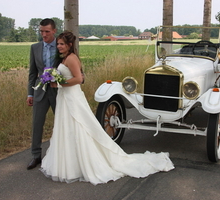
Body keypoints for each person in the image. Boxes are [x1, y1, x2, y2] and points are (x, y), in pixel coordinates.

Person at [40, 31, 174, 185]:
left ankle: (85, 163)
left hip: (72, 98)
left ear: (70, 45)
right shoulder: (64, 59)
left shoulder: (71, 59)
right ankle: (69, 164)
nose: (59, 46)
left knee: (80, 127)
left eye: (62, 44)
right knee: (67, 128)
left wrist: (59, 83)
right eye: (58, 44)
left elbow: (78, 79)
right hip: (65, 98)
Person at [27, 18, 60, 170]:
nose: (44, 34)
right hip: (39, 91)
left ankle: (63, 154)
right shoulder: (35, 48)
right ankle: (35, 156)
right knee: (37, 124)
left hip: (58, 92)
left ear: (54, 30)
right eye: (41, 31)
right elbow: (32, 73)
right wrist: (30, 94)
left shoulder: (62, 46)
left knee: (61, 123)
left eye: (47, 31)